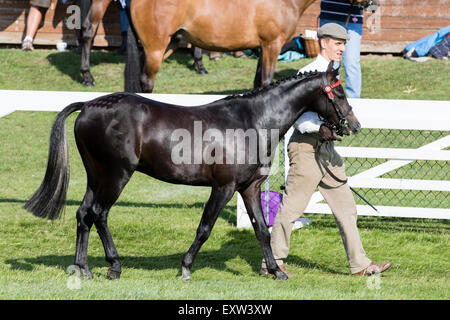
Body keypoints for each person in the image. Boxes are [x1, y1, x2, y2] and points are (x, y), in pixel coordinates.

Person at [260, 23, 391, 277]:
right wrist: (320, 128)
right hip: (305, 148)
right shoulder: (307, 73)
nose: (342, 48)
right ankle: (271, 262)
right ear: (324, 43)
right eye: (338, 43)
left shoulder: (333, 73)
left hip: (328, 151)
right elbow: (296, 119)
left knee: (346, 208)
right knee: (292, 208)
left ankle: (360, 265)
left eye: (344, 44)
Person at [319, 0, 364, 98]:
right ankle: (331, 99)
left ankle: (355, 102)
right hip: (329, 16)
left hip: (353, 20)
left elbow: (373, 6)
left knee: (351, 63)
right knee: (330, 63)